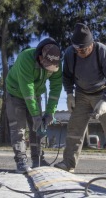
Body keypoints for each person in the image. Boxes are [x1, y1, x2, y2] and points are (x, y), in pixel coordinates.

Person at [54, 23, 106, 176]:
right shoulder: (71, 53)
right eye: (77, 49)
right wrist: (70, 94)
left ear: (91, 44)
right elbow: (67, 76)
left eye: (83, 49)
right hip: (82, 94)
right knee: (74, 127)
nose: (80, 52)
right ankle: (68, 163)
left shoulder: (102, 52)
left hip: (103, 92)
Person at [6, 37, 62, 173]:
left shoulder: (56, 63)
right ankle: (21, 160)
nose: (49, 69)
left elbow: (56, 88)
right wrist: (36, 115)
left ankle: (38, 159)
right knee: (18, 129)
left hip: (35, 94)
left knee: (37, 128)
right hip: (16, 93)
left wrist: (50, 113)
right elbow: (28, 89)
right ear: (40, 57)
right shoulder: (26, 58)